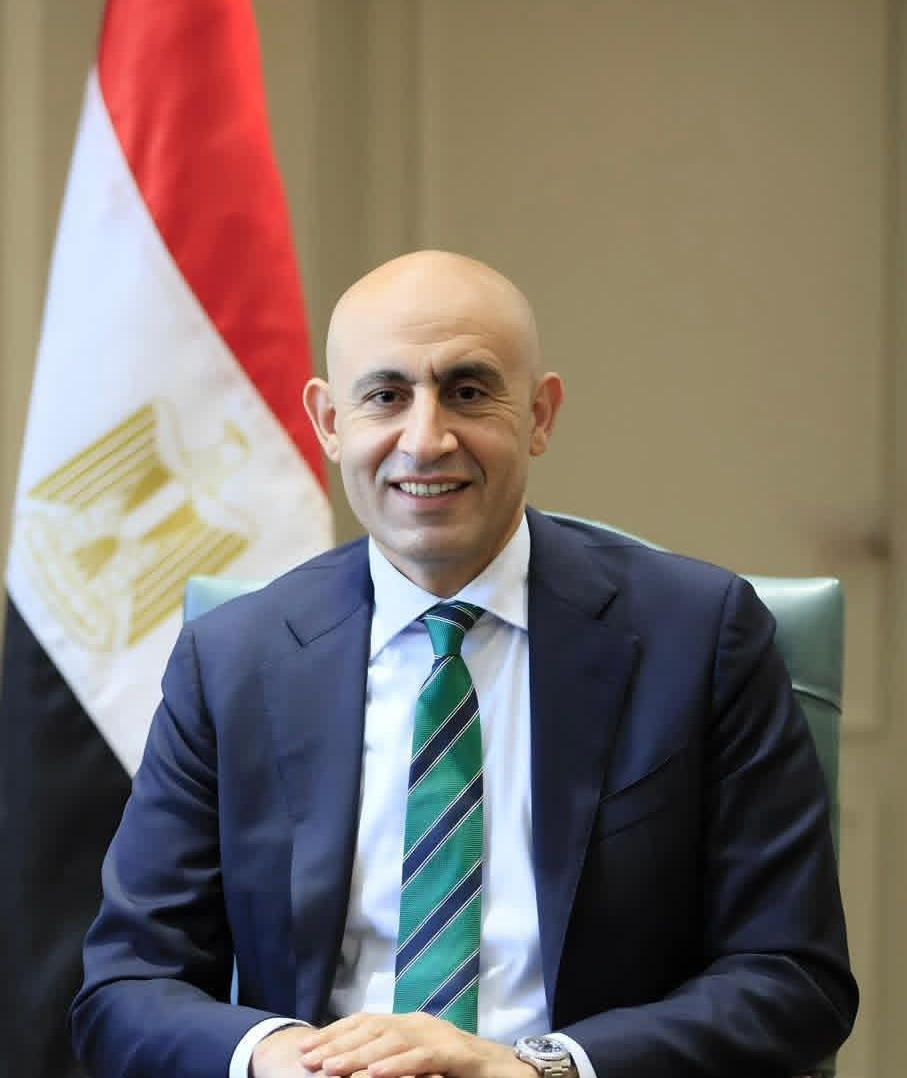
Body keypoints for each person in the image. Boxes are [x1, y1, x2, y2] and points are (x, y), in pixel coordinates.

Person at [71, 250, 858, 1078]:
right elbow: (127, 987)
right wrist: (278, 1056)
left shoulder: (698, 637)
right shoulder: (232, 661)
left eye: (470, 391)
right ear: (330, 421)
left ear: (541, 415)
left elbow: (794, 978)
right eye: (386, 396)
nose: (426, 440)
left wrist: (538, 1069)